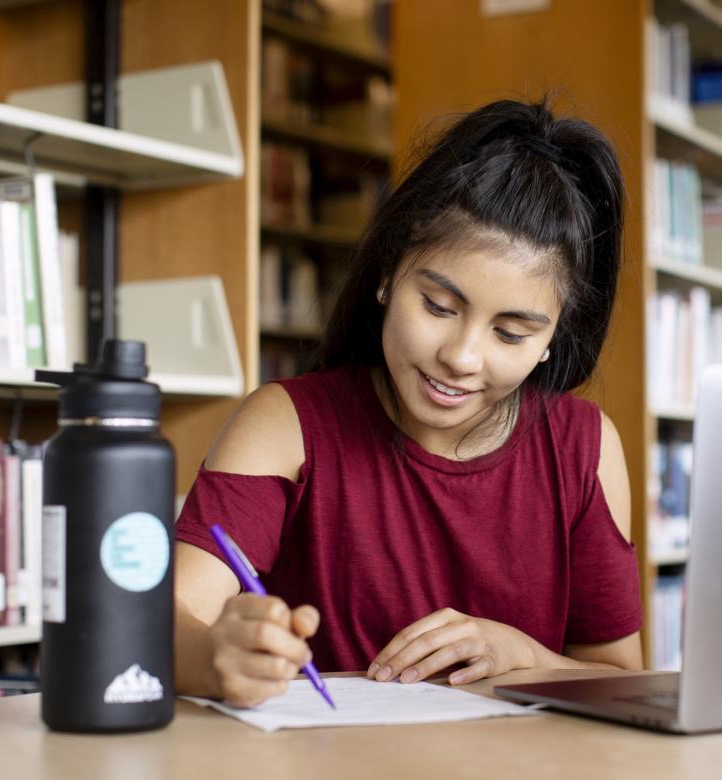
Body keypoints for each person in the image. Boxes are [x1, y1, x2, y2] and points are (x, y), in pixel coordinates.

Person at [173, 98, 644, 708]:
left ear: (553, 340)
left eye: (511, 334)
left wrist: (522, 656)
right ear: (388, 275)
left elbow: (621, 678)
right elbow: (167, 620)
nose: (462, 356)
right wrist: (213, 658)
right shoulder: (286, 424)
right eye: (439, 307)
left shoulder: (585, 447)